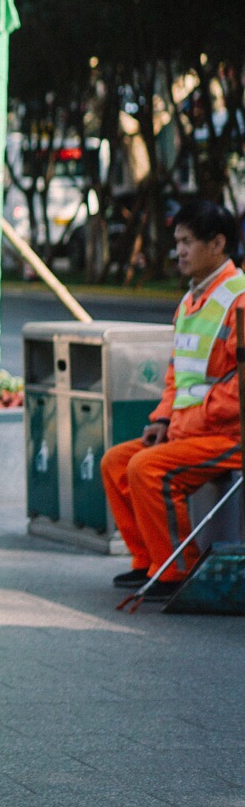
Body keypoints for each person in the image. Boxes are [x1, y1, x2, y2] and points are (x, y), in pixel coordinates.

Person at [103, 200, 244, 598]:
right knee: (116, 463)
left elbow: (239, 391)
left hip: (230, 436)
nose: (178, 251)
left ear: (217, 245)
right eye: (177, 241)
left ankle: (176, 570)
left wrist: (188, 421)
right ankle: (149, 560)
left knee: (147, 469)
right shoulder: (190, 301)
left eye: (187, 242)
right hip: (190, 430)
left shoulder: (239, 299)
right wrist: (163, 419)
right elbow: (177, 374)